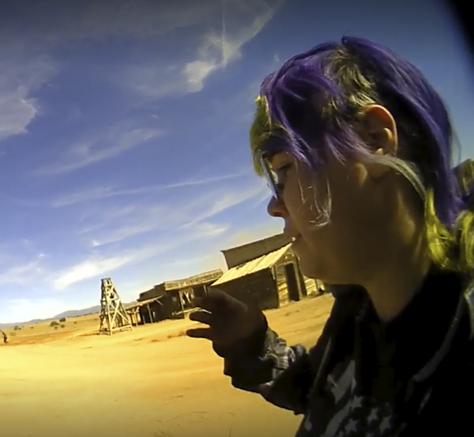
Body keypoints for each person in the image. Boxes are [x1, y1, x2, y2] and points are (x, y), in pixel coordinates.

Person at [187, 36, 474, 435]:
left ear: (373, 140)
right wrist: (254, 344)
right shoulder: (359, 315)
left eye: (284, 168)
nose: (274, 206)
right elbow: (321, 393)